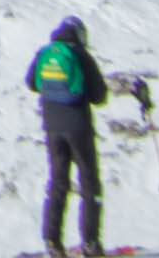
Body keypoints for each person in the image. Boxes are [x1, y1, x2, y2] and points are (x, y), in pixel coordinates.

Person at [26, 13, 111, 256]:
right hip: (79, 127)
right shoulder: (82, 57)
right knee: (89, 183)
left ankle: (52, 242)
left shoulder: (45, 53)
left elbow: (31, 83)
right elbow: (99, 96)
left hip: (52, 128)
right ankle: (91, 244)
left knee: (58, 182)